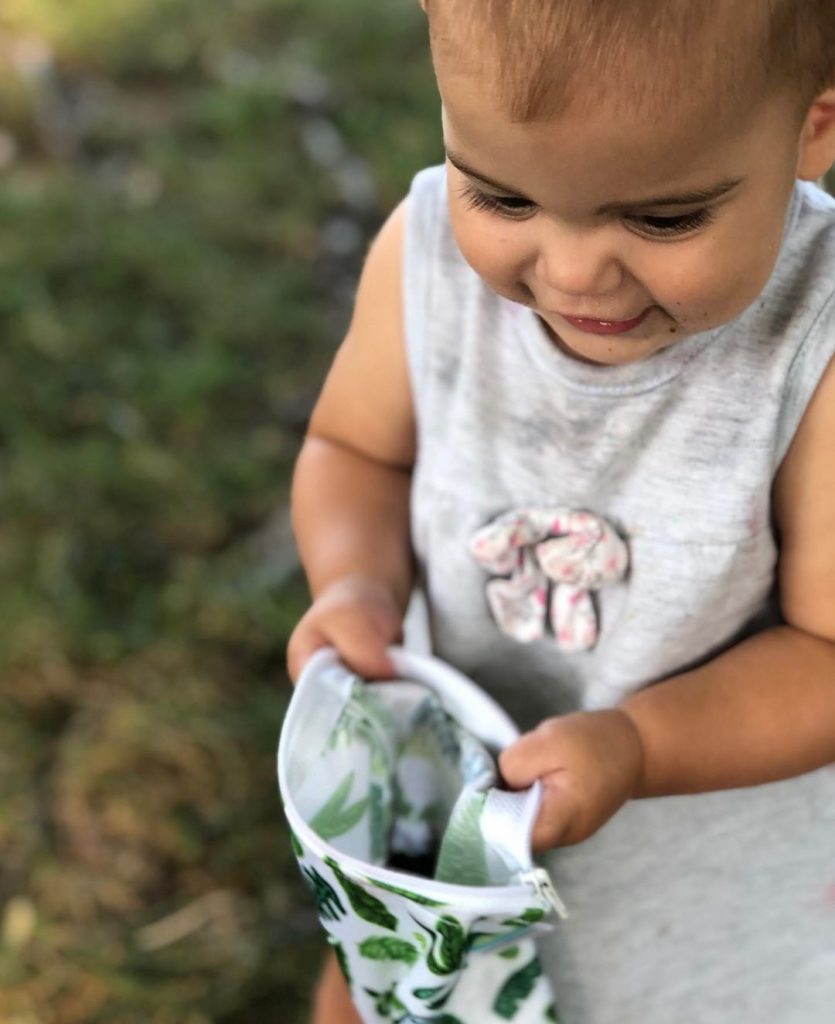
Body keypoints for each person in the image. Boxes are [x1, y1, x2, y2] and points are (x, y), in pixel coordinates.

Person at [287, 1, 835, 1020]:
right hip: (445, 825)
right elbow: (354, 449)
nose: (574, 269)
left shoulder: (815, 345)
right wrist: (356, 583)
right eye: (500, 195)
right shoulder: (425, 259)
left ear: (813, 127)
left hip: (703, 902)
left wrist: (640, 747)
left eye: (663, 217)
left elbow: (826, 652)